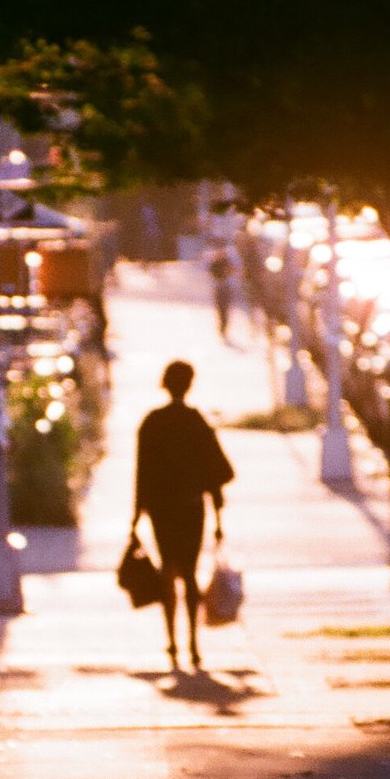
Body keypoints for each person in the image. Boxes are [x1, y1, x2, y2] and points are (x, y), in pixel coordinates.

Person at [134, 359, 235, 672]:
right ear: (188, 385)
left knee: (168, 570)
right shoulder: (196, 422)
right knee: (190, 574)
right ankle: (192, 642)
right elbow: (217, 471)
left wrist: (136, 515)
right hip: (191, 507)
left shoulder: (152, 422)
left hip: (162, 510)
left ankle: (172, 642)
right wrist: (218, 519)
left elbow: (142, 473)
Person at [207, 245, 236, 342]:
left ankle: (224, 326)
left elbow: (232, 270)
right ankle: (222, 326)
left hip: (225, 286)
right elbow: (211, 272)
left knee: (225, 309)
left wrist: (228, 272)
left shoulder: (226, 262)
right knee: (220, 309)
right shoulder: (215, 262)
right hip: (219, 285)